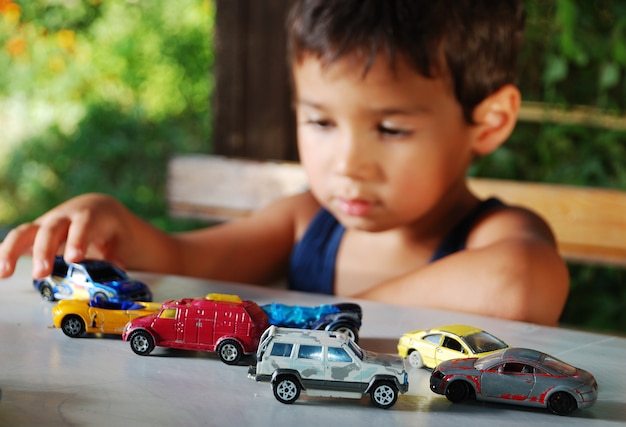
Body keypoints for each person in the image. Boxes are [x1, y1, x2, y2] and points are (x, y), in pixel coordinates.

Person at [0, 0, 569, 325]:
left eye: (391, 128)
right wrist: (115, 223)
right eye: (321, 122)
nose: (349, 164)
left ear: (488, 121)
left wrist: (314, 318)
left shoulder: (495, 234)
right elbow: (185, 258)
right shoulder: (303, 222)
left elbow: (519, 283)